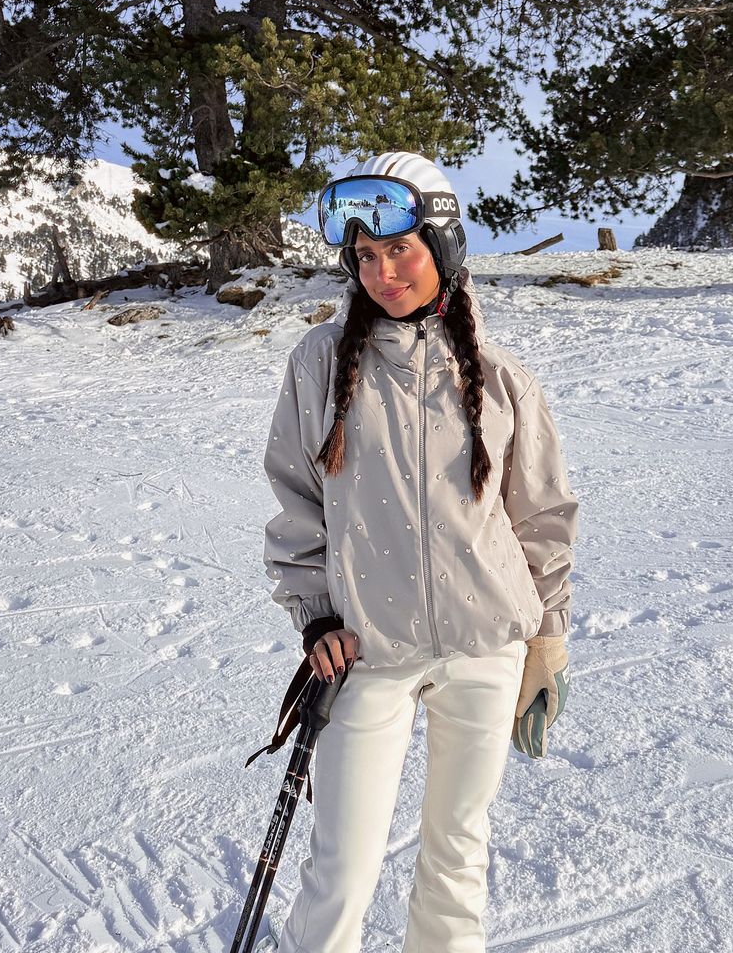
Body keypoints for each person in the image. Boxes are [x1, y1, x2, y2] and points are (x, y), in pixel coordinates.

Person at [261, 151, 580, 953]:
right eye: (364, 256)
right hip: (368, 647)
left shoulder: (503, 376)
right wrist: (315, 618)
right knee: (342, 870)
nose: (381, 272)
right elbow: (297, 503)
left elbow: (540, 518)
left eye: (398, 249)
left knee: (456, 860)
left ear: (443, 244)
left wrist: (546, 636)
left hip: (488, 648)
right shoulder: (320, 365)